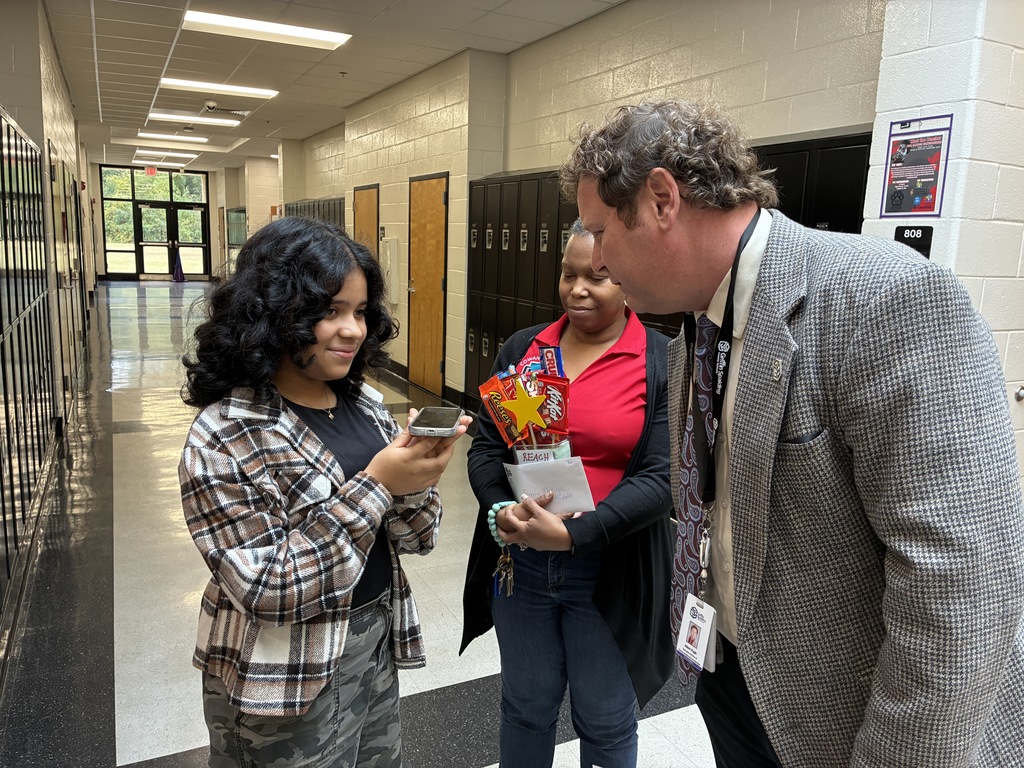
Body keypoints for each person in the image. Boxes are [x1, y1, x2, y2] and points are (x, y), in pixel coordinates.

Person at [559, 100, 1024, 767]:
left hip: (850, 721)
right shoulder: (696, 329)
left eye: (602, 232)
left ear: (662, 200)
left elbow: (963, 586)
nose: (599, 260)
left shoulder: (885, 300)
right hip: (735, 676)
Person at [178, 216, 470, 767]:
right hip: (283, 676)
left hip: (373, 643)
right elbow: (269, 588)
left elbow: (418, 537)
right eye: (330, 311)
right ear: (272, 313)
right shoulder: (227, 434)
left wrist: (417, 479)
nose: (352, 330)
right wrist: (378, 483)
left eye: (360, 312)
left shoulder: (365, 405)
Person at [460, 220, 675, 768]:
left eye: (597, 277)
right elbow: (487, 448)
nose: (578, 290)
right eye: (568, 274)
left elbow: (662, 477)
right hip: (522, 568)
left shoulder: (661, 361)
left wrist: (576, 535)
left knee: (606, 720)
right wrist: (500, 507)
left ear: (629, 280)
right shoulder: (524, 349)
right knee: (525, 709)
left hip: (611, 570)